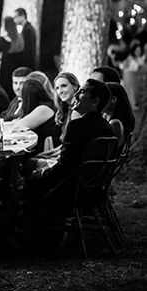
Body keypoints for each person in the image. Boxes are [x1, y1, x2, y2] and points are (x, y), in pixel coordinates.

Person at [30, 79, 114, 207]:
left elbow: (65, 167)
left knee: (22, 180)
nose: (76, 95)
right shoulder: (107, 128)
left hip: (69, 190)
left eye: (82, 92)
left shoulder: (77, 126)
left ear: (95, 102)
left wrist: (41, 174)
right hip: (92, 188)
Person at [10, 77, 58, 154]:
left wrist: (13, 122)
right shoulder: (43, 106)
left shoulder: (44, 109)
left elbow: (18, 126)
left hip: (47, 150)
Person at [0, 16, 25, 99]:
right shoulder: (20, 38)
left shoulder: (2, 39)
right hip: (16, 66)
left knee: (5, 86)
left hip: (5, 67)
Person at [103, 82, 135, 148]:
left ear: (113, 100)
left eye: (104, 97)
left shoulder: (115, 123)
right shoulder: (106, 116)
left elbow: (110, 151)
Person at [54, 72, 80, 141]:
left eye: (64, 86)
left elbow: (73, 144)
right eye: (57, 88)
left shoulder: (77, 111)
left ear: (75, 86)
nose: (60, 91)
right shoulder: (67, 109)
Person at [120, 41, 144, 110]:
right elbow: (124, 67)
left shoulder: (140, 59)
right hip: (130, 79)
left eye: (139, 50)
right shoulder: (129, 58)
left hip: (139, 80)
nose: (138, 51)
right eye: (136, 50)